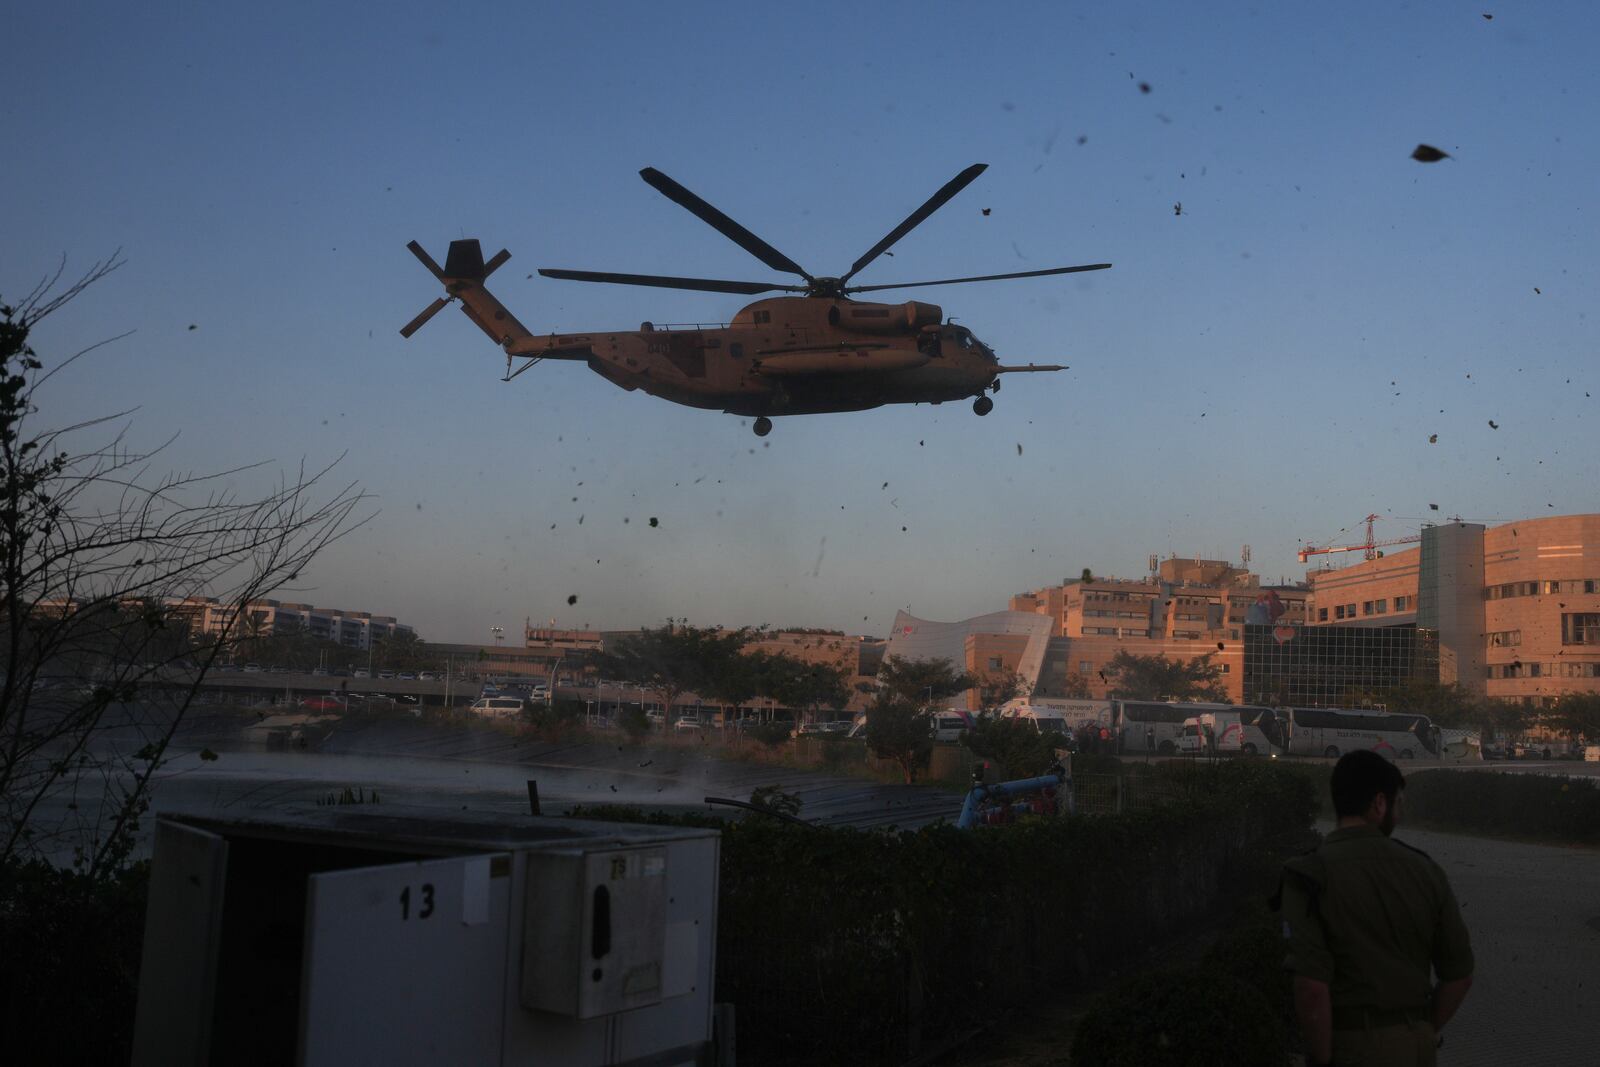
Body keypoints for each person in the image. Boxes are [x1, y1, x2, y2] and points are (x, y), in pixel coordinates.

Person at [1278, 750, 1474, 1067]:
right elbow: (1460, 976)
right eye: (1398, 805)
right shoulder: (1425, 870)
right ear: (1379, 804)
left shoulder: (1309, 874)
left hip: (1349, 1044)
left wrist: (1322, 1056)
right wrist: (1422, 1030)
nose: (1398, 815)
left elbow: (1311, 987)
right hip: (1416, 1046)